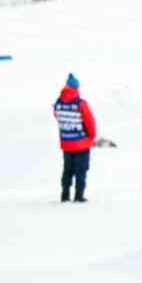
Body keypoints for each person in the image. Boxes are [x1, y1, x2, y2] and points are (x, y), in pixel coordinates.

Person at [55, 74, 97, 203]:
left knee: (67, 169)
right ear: (76, 88)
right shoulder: (80, 103)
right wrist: (92, 135)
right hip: (81, 143)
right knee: (81, 169)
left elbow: (58, 117)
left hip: (66, 143)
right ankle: (79, 195)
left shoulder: (58, 103)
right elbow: (89, 122)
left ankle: (65, 194)